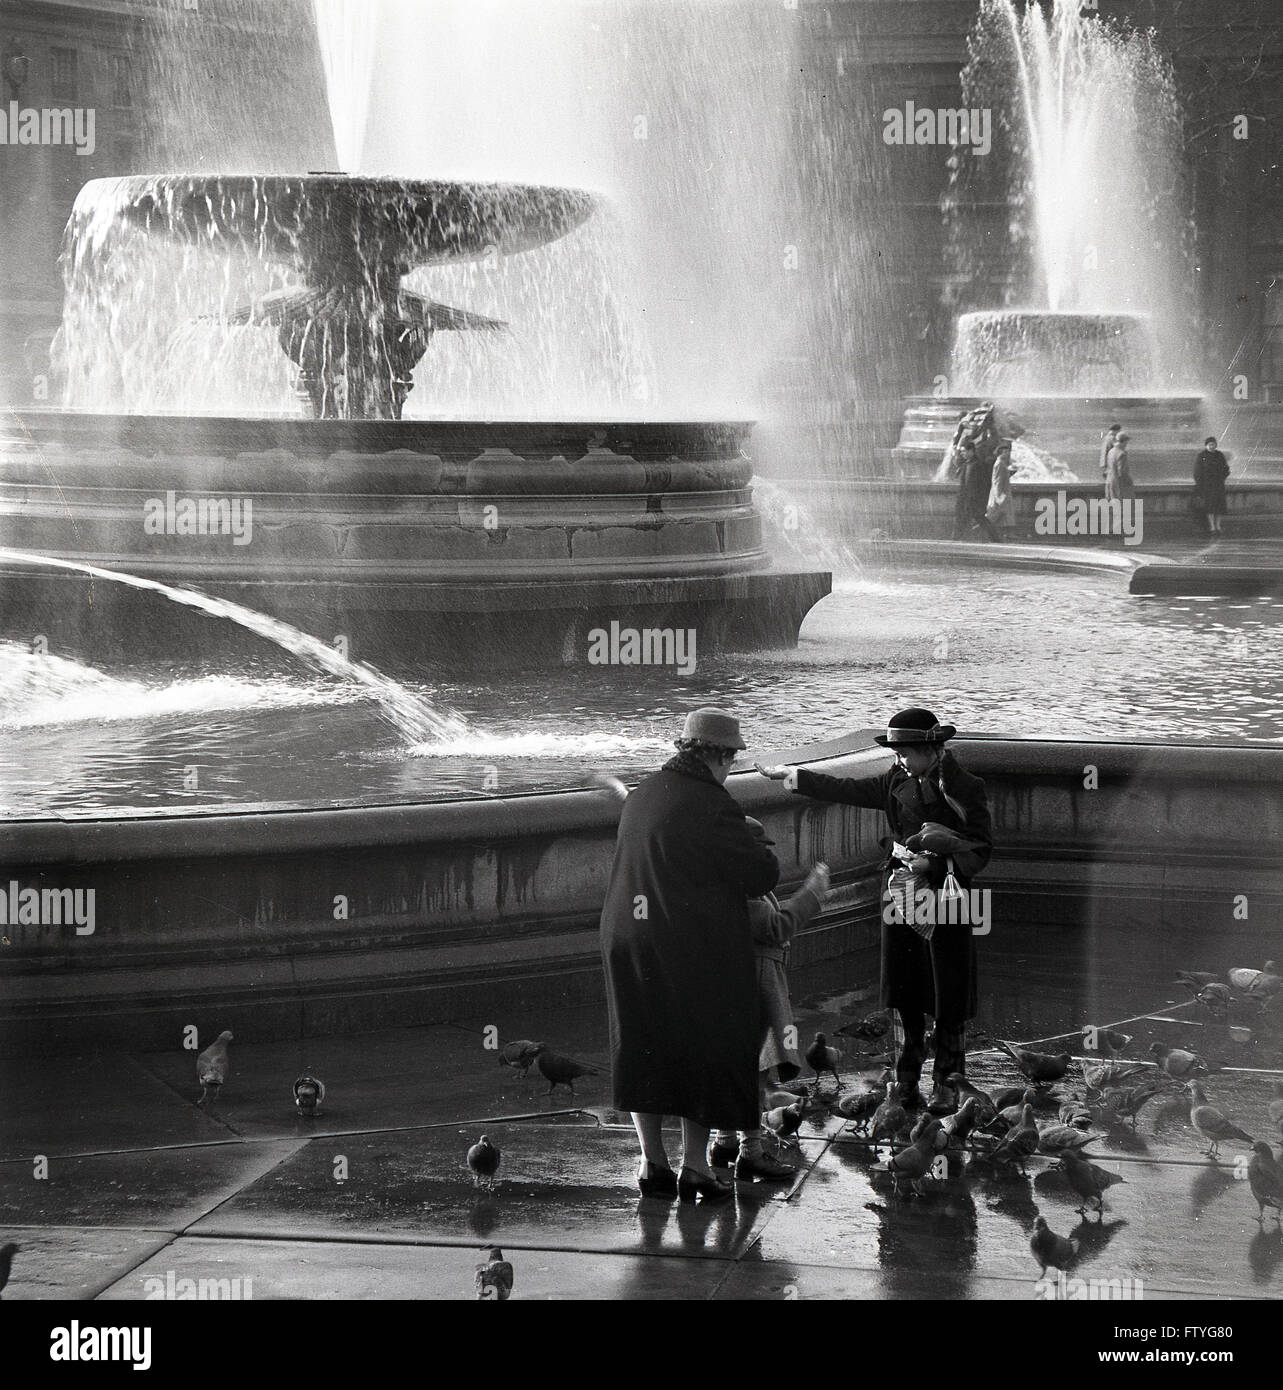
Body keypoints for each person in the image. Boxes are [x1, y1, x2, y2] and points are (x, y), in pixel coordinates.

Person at [758, 708, 992, 1114]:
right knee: (905, 990)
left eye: (905, 752)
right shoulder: (896, 779)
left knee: (947, 992)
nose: (898, 759)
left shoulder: (966, 787)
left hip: (946, 897)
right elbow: (850, 788)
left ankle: (947, 1084)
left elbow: (981, 848)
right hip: (901, 895)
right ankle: (905, 1081)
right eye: (896, 752)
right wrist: (794, 777)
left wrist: (933, 865)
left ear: (931, 748)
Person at [600, 707, 780, 1202]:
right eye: (730, 759)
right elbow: (760, 874)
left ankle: (650, 1163)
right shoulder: (712, 803)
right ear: (719, 756)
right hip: (686, 946)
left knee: (644, 1046)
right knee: (706, 1046)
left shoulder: (643, 794)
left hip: (626, 938)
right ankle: (695, 1167)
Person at [709, 840, 831, 1183]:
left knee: (741, 1072)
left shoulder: (724, 892)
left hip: (741, 989)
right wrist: (812, 893)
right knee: (753, 1074)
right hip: (757, 991)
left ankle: (726, 1141)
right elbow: (778, 926)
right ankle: (750, 1151)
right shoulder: (748, 902)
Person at [953, 439, 1000, 541]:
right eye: (961, 452)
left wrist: (980, 499)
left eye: (964, 451)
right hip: (967, 500)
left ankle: (995, 538)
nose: (962, 454)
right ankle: (956, 538)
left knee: (979, 519)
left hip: (975, 500)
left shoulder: (978, 465)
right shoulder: (966, 465)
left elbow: (984, 484)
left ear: (971, 451)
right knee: (967, 519)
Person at [1193, 436, 1230, 535]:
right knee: (1210, 507)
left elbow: (1226, 468)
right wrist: (1200, 484)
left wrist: (1222, 477)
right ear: (1206, 445)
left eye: (1213, 444)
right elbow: (1197, 472)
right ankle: (1212, 527)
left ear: (1216, 445)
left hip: (1218, 485)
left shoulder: (1219, 455)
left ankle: (1218, 526)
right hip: (1207, 486)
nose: (1211, 446)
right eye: (1209, 445)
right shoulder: (1201, 456)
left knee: (1219, 507)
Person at [985, 440, 1016, 538]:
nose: (1008, 454)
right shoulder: (999, 464)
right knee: (995, 515)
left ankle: (1006, 534)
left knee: (1004, 515)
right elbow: (997, 481)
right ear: (1000, 453)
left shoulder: (1002, 463)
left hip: (1002, 493)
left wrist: (1010, 473)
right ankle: (986, 531)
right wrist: (999, 497)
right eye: (1005, 452)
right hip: (1000, 494)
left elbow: (1001, 477)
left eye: (1008, 451)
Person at [1105, 431, 1134, 503]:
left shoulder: (1111, 451)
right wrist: (1129, 481)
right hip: (1119, 485)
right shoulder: (1122, 454)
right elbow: (1122, 472)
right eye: (1126, 442)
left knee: (1112, 506)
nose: (1127, 444)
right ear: (1123, 442)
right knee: (1122, 507)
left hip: (1110, 482)